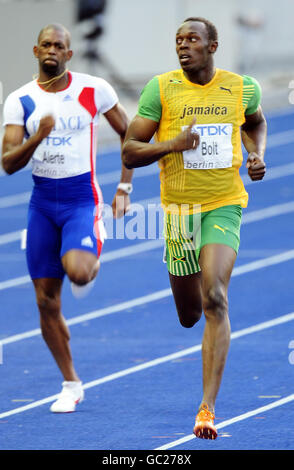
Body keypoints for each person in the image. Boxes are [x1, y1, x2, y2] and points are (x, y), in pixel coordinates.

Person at [122, 17, 266, 439]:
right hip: (179, 210)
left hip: (224, 204)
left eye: (192, 40)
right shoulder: (161, 88)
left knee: (216, 298)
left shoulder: (242, 87)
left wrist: (256, 154)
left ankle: (207, 408)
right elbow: (130, 151)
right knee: (189, 315)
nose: (183, 47)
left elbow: (255, 122)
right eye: (178, 40)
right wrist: (174, 145)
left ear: (213, 46)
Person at [1, 23, 133, 413]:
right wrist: (38, 136)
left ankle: (85, 260)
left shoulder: (94, 89)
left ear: (69, 54)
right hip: (42, 203)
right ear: (35, 50)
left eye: (59, 45)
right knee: (45, 302)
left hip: (81, 200)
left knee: (77, 272)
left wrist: (123, 188)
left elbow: (131, 135)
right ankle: (71, 384)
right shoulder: (19, 100)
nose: (52, 51)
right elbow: (8, 163)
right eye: (46, 44)